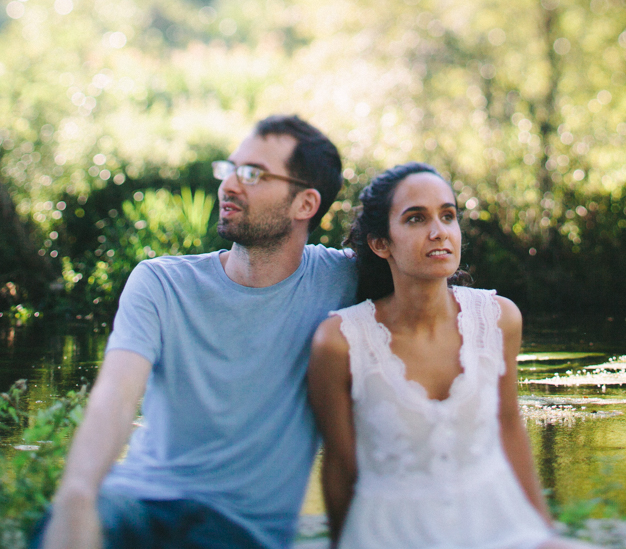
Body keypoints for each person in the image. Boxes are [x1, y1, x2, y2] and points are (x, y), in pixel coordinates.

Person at [35, 115, 357, 549]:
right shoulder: (161, 283)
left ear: (305, 204)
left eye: (253, 174)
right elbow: (115, 395)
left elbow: (423, 280)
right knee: (72, 522)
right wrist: (77, 493)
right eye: (230, 168)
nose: (228, 185)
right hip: (139, 502)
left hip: (241, 529)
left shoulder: (342, 282)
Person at [307, 163, 594, 549]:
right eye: (415, 218)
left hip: (497, 524)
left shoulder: (498, 319)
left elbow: (509, 426)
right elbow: (341, 467)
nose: (439, 231)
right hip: (388, 534)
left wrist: (543, 531)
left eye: (448, 215)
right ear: (380, 243)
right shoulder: (339, 341)